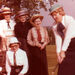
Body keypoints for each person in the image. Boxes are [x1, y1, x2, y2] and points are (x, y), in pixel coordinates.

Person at [49, 3, 75, 75]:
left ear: (60, 12)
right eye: (52, 15)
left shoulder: (69, 19)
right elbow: (58, 39)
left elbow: (68, 36)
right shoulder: (54, 26)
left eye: (55, 14)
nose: (54, 17)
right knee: (63, 65)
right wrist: (58, 54)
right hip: (67, 45)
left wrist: (63, 51)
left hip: (73, 42)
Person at [14, 10, 33, 75]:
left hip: (29, 43)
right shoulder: (17, 25)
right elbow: (17, 36)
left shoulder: (29, 24)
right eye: (21, 17)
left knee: (30, 57)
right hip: (21, 43)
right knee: (23, 57)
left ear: (26, 17)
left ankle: (30, 72)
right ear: (19, 18)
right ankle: (23, 72)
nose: (22, 18)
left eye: (24, 17)